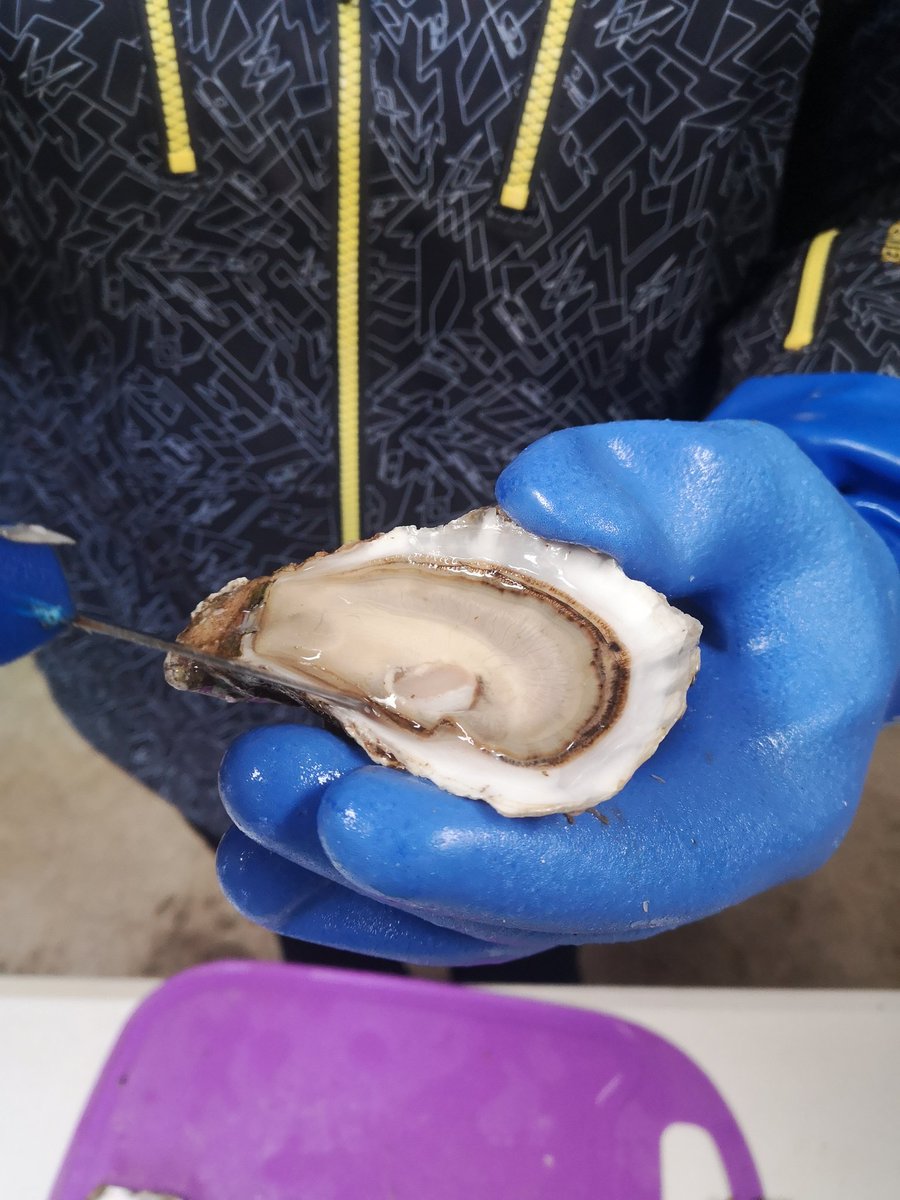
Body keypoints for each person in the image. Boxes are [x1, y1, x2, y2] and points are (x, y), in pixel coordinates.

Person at [1, 1, 898, 978]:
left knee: (528, 911)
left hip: (635, 517)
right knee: (283, 852)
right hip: (128, 565)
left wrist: (859, 454)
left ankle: (523, 968)